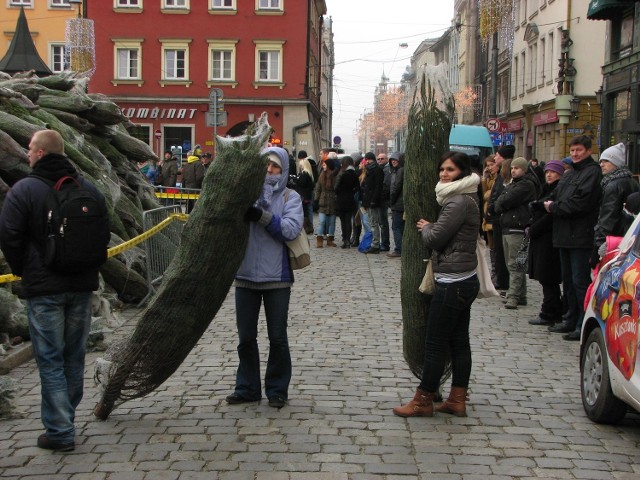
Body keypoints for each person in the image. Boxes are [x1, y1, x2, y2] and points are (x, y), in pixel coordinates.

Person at [0, 130, 109, 451]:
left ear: (42, 153)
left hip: (45, 288)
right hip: (81, 286)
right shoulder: (88, 189)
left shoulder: (25, 190)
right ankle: (66, 417)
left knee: (49, 360)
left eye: (31, 149)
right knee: (73, 358)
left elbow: (9, 235)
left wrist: (24, 271)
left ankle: (61, 431)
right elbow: (102, 235)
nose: (27, 154)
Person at [393, 151, 480, 418]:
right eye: (442, 169)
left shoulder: (458, 202)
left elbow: (436, 239)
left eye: (451, 170)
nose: (444, 174)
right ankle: (457, 399)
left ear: (462, 173)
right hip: (462, 279)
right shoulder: (464, 197)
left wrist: (427, 227)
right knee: (458, 342)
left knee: (435, 343)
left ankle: (422, 401)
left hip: (453, 281)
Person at [226, 146, 303, 409]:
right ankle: (247, 387)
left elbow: (291, 230)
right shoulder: (247, 194)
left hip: (277, 278)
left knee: (277, 337)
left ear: (283, 170)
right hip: (245, 276)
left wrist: (262, 216)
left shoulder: (291, 197)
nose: (269, 171)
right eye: (266, 166)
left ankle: (277, 389)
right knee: (245, 336)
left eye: (275, 167)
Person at [544, 135, 602, 341]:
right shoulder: (569, 174)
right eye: (572, 151)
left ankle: (581, 322)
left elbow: (580, 204)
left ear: (588, 150)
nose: (575, 154)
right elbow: (556, 195)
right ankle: (569, 318)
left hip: (581, 236)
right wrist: (549, 204)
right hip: (564, 235)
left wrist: (555, 207)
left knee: (579, 282)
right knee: (567, 282)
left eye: (579, 150)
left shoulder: (592, 173)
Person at [495, 157, 540, 309]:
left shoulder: (526, 185)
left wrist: (501, 202)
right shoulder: (515, 184)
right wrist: (500, 202)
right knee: (513, 263)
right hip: (509, 227)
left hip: (518, 228)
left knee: (516, 264)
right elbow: (499, 201)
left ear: (524, 169)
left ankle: (514, 295)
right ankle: (521, 295)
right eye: (512, 168)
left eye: (517, 168)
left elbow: (505, 200)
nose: (513, 170)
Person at [527, 160, 566, 326]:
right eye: (547, 171)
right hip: (541, 239)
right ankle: (551, 309)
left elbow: (550, 217)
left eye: (553, 172)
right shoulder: (546, 188)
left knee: (548, 276)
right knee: (545, 277)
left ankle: (550, 312)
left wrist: (533, 229)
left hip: (548, 240)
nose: (549, 174)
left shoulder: (558, 191)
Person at [591, 143, 640, 268]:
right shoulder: (631, 181)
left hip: (613, 241)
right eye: (601, 161)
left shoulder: (613, 185)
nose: (601, 164)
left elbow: (608, 217)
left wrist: (599, 244)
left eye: (606, 161)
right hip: (628, 239)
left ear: (616, 162)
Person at [486, 144, 515, 290]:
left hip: (500, 219)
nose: (495, 156)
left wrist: (492, 208)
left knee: (501, 252)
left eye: (497, 155)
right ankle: (499, 278)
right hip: (496, 218)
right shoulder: (499, 174)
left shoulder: (506, 173)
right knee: (497, 250)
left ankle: (502, 280)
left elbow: (501, 196)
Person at [334, 156, 360, 248]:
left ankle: (345, 239)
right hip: (350, 199)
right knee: (348, 220)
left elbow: (336, 187)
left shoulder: (342, 174)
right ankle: (348, 240)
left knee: (343, 221)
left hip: (341, 199)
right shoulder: (354, 174)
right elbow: (357, 187)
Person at [361, 151, 384, 254]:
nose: (366, 162)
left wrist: (373, 200)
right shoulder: (369, 170)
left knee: (374, 223)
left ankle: (375, 244)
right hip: (368, 200)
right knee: (371, 222)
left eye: (367, 160)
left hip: (373, 201)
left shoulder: (377, 170)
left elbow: (378, 187)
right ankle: (374, 243)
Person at [314, 159, 338, 247]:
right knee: (322, 221)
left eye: (325, 165)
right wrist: (316, 200)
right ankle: (319, 240)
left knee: (332, 222)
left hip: (332, 201)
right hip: (323, 200)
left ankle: (330, 240)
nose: (323, 167)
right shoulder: (322, 175)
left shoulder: (335, 176)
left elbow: (337, 187)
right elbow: (318, 188)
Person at [387, 152, 405, 258]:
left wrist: (392, 200)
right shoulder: (396, 171)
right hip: (399, 203)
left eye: (396, 160)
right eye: (392, 159)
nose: (393, 161)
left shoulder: (400, 171)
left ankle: (399, 249)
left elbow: (396, 187)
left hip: (398, 204)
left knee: (396, 227)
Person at [293, 154, 315, 234]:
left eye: (301, 165)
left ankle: (306, 227)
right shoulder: (308, 173)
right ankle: (308, 227)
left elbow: (302, 183)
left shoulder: (305, 174)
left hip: (304, 195)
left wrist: (296, 180)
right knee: (307, 211)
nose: (300, 166)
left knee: (305, 211)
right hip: (306, 195)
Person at [481, 155, 498, 249]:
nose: (490, 168)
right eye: (488, 166)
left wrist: (486, 194)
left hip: (493, 213)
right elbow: (483, 195)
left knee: (495, 246)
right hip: (487, 213)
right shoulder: (488, 178)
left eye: (492, 165)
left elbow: (487, 195)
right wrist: (484, 178)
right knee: (490, 246)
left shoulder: (498, 178)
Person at [377, 152, 391, 252]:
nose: (380, 160)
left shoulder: (386, 170)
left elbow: (386, 185)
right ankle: (383, 243)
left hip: (383, 200)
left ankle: (385, 244)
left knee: (383, 222)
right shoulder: (380, 169)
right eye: (379, 159)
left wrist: (381, 196)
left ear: (386, 159)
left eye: (382, 159)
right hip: (380, 199)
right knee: (381, 222)